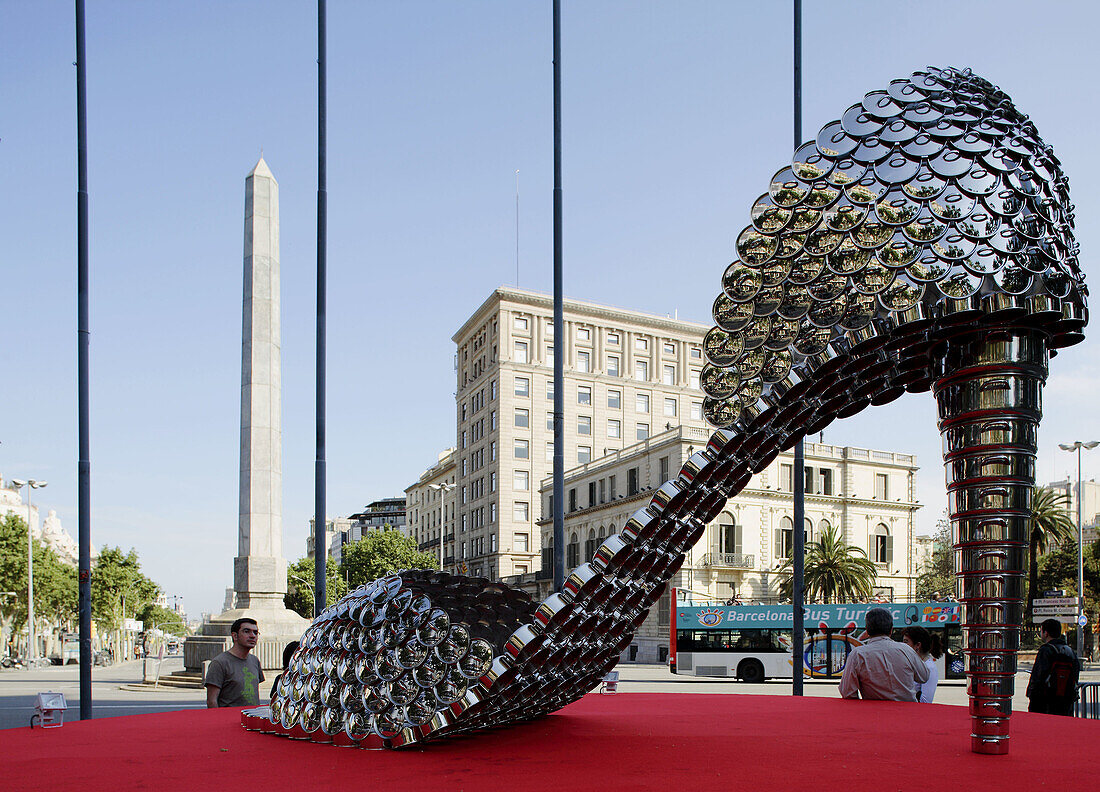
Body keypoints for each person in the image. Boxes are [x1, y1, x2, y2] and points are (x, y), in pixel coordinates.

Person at [839, 607, 929, 701]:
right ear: (891, 630)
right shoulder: (906, 650)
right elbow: (924, 677)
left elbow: (847, 692)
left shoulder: (857, 654)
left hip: (874, 713)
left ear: (867, 630)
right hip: (907, 712)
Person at [205, 618, 265, 708]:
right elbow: (211, 701)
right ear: (235, 636)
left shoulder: (254, 660)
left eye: (255, 633)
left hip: (251, 717)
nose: (252, 636)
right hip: (229, 719)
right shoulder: (219, 663)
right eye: (246, 631)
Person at [1026, 618, 1080, 716]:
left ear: (1046, 633)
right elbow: (1075, 674)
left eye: (1041, 631)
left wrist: (1031, 694)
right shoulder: (1070, 651)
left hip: (1045, 701)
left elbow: (1039, 675)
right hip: (1065, 701)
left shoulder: (1046, 650)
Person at [902, 625, 942, 703]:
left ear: (918, 645)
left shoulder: (929, 668)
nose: (903, 645)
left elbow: (926, 701)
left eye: (906, 642)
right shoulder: (912, 663)